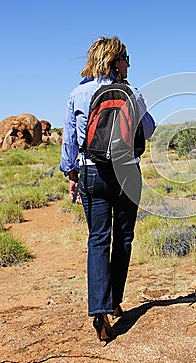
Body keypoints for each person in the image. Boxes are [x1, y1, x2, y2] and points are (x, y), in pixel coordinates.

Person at [59, 36, 155, 341]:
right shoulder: (133, 93)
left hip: (91, 171)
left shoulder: (78, 93)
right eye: (127, 59)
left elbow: (70, 140)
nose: (129, 64)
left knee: (98, 238)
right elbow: (149, 129)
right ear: (116, 61)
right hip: (127, 172)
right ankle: (113, 302)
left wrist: (71, 173)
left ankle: (99, 311)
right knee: (123, 238)